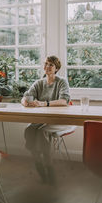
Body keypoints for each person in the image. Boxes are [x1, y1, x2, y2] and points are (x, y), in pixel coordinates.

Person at [21, 56, 70, 185]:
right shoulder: (39, 83)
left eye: (51, 65)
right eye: (46, 64)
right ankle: (39, 163)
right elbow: (25, 96)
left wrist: (44, 104)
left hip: (59, 121)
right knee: (30, 130)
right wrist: (25, 102)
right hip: (41, 120)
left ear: (57, 69)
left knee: (42, 132)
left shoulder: (62, 82)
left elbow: (64, 101)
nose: (47, 67)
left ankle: (49, 167)